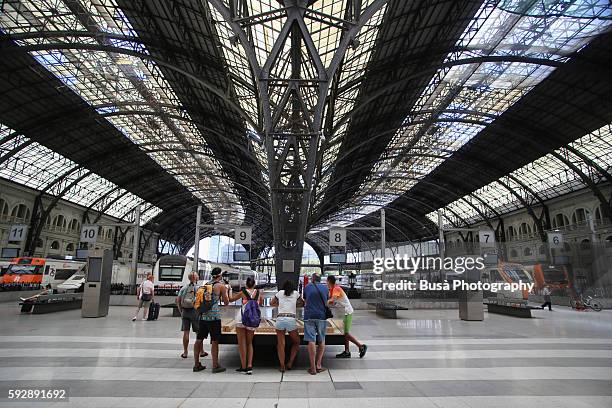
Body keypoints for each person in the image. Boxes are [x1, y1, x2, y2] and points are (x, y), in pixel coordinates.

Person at [193, 267, 229, 373]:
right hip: (214, 317)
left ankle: (196, 364)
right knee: (214, 341)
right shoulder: (221, 286)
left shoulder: (205, 285)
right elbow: (226, 302)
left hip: (203, 316)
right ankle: (215, 365)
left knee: (199, 339)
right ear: (220, 275)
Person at [327, 275, 367, 358]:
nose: (326, 283)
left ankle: (361, 346)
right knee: (345, 333)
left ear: (329, 281)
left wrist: (325, 302)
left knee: (346, 333)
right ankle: (347, 351)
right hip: (343, 313)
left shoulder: (336, 289)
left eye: (326, 281)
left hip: (347, 312)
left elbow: (333, 300)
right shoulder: (333, 289)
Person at [229, 277, 263, 374]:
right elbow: (260, 304)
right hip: (252, 320)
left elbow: (231, 300)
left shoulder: (243, 292)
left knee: (242, 343)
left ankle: (243, 366)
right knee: (249, 343)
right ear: (254, 284)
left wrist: (230, 290)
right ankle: (249, 366)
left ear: (246, 284)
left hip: (241, 318)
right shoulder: (258, 293)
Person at [271, 280, 303, 372]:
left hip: (280, 318)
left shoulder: (280, 293)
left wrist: (280, 304)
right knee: (296, 342)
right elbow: (302, 302)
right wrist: (295, 304)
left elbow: (271, 303)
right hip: (290, 319)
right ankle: (290, 363)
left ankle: (282, 366)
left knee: (281, 344)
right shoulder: (296, 293)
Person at [176, 272, 208, 359]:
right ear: (196, 278)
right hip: (195, 312)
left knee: (186, 332)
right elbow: (202, 301)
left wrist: (181, 311)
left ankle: (185, 352)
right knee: (198, 333)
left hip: (185, 312)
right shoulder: (199, 288)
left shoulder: (184, 288)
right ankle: (201, 351)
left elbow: (178, 300)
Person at [303, 273, 329, 375]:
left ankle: (313, 368)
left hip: (309, 316)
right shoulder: (325, 288)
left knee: (311, 340)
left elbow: (305, 300)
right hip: (322, 316)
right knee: (322, 340)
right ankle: (319, 365)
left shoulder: (307, 287)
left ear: (312, 279)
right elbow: (327, 301)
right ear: (320, 279)